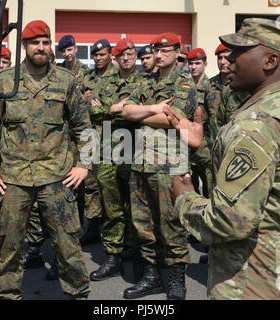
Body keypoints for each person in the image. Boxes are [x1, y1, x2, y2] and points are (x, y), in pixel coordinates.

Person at [166, 18, 280, 300]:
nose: (228, 59)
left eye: (239, 52)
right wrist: (202, 148)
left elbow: (230, 220)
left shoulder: (258, 123)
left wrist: (184, 199)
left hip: (260, 282)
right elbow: (278, 185)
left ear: (269, 61)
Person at [0, 20, 92, 300]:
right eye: (35, 43)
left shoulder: (66, 80)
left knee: (68, 245)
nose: (41, 48)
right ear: (24, 46)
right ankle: (8, 295)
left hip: (56, 177)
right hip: (12, 180)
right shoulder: (5, 81)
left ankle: (79, 294)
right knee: (10, 247)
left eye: (45, 42)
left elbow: (84, 127)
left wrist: (83, 165)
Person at [121, 32, 196, 300]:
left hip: (169, 165)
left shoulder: (185, 84)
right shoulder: (145, 81)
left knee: (172, 224)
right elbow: (124, 111)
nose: (159, 54)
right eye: (157, 50)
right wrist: (154, 108)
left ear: (178, 52)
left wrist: (142, 113)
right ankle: (151, 277)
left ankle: (176, 280)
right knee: (143, 224)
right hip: (141, 164)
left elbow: (174, 120)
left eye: (165, 50)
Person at [87, 39, 142, 281]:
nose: (126, 58)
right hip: (108, 151)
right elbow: (90, 110)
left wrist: (113, 110)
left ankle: (135, 250)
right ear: (115, 58)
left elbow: (140, 112)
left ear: (135, 56)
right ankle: (113, 255)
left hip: (134, 149)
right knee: (111, 205)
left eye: (130, 54)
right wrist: (115, 109)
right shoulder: (104, 81)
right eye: (121, 55)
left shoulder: (145, 81)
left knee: (135, 204)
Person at [78, 39, 117, 246]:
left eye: (102, 54)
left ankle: (114, 229)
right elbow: (74, 100)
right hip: (89, 135)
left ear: (110, 54)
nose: (98, 58)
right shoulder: (87, 77)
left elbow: (122, 104)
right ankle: (92, 225)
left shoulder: (118, 75)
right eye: (95, 55)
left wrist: (104, 106)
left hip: (112, 136)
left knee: (110, 184)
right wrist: (84, 98)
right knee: (90, 183)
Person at [187, 48, 212, 198]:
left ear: (205, 64)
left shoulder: (211, 87)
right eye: (191, 64)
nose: (193, 67)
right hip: (187, 146)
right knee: (190, 189)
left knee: (209, 189)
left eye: (197, 63)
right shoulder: (184, 86)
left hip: (205, 147)